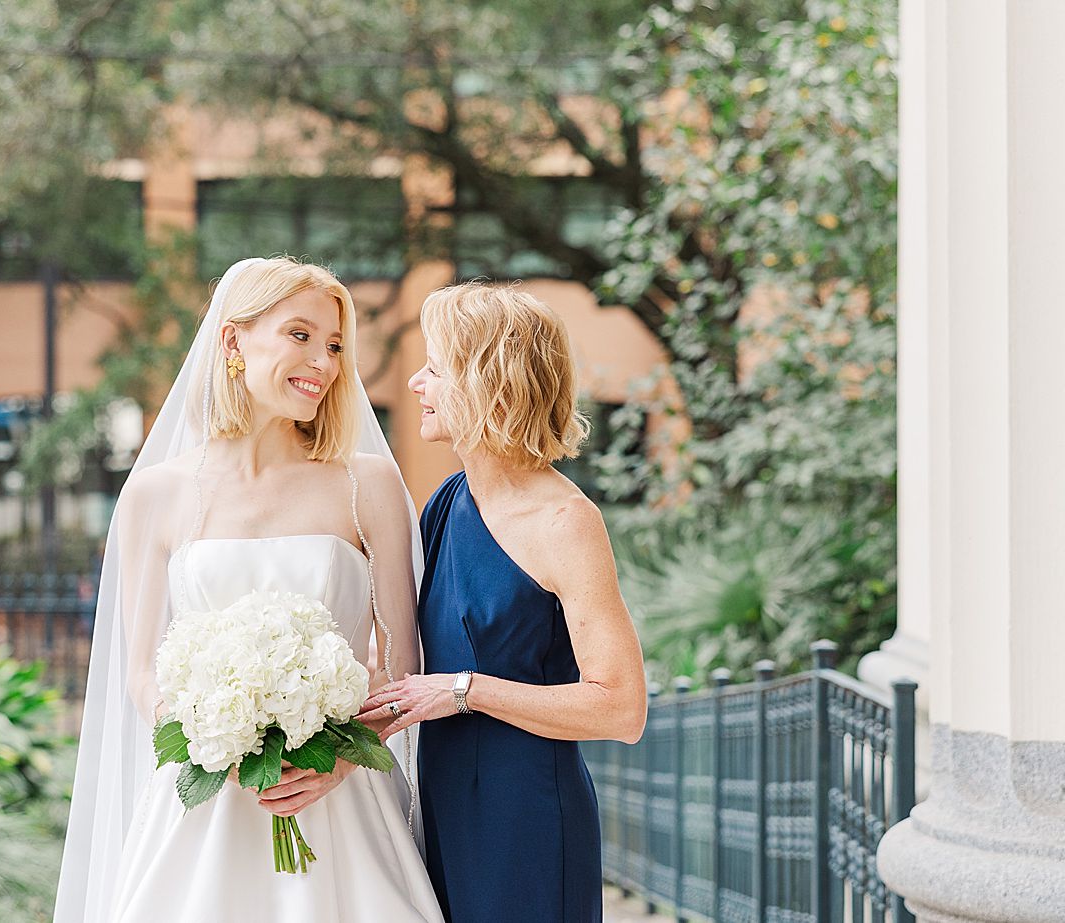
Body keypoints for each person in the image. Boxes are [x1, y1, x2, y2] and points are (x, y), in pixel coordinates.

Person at [54, 257, 443, 923]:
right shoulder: (156, 494)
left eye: (334, 344)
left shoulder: (367, 483)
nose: (322, 362)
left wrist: (337, 763)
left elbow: (401, 664)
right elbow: (143, 672)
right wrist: (217, 743)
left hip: (340, 804)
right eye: (299, 335)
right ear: (233, 342)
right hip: (201, 810)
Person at [361, 280, 647, 923]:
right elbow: (403, 666)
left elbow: (622, 707)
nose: (415, 384)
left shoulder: (566, 521)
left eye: (434, 369)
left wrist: (467, 690)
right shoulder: (446, 502)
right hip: (445, 805)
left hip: (529, 821)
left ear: (486, 381)